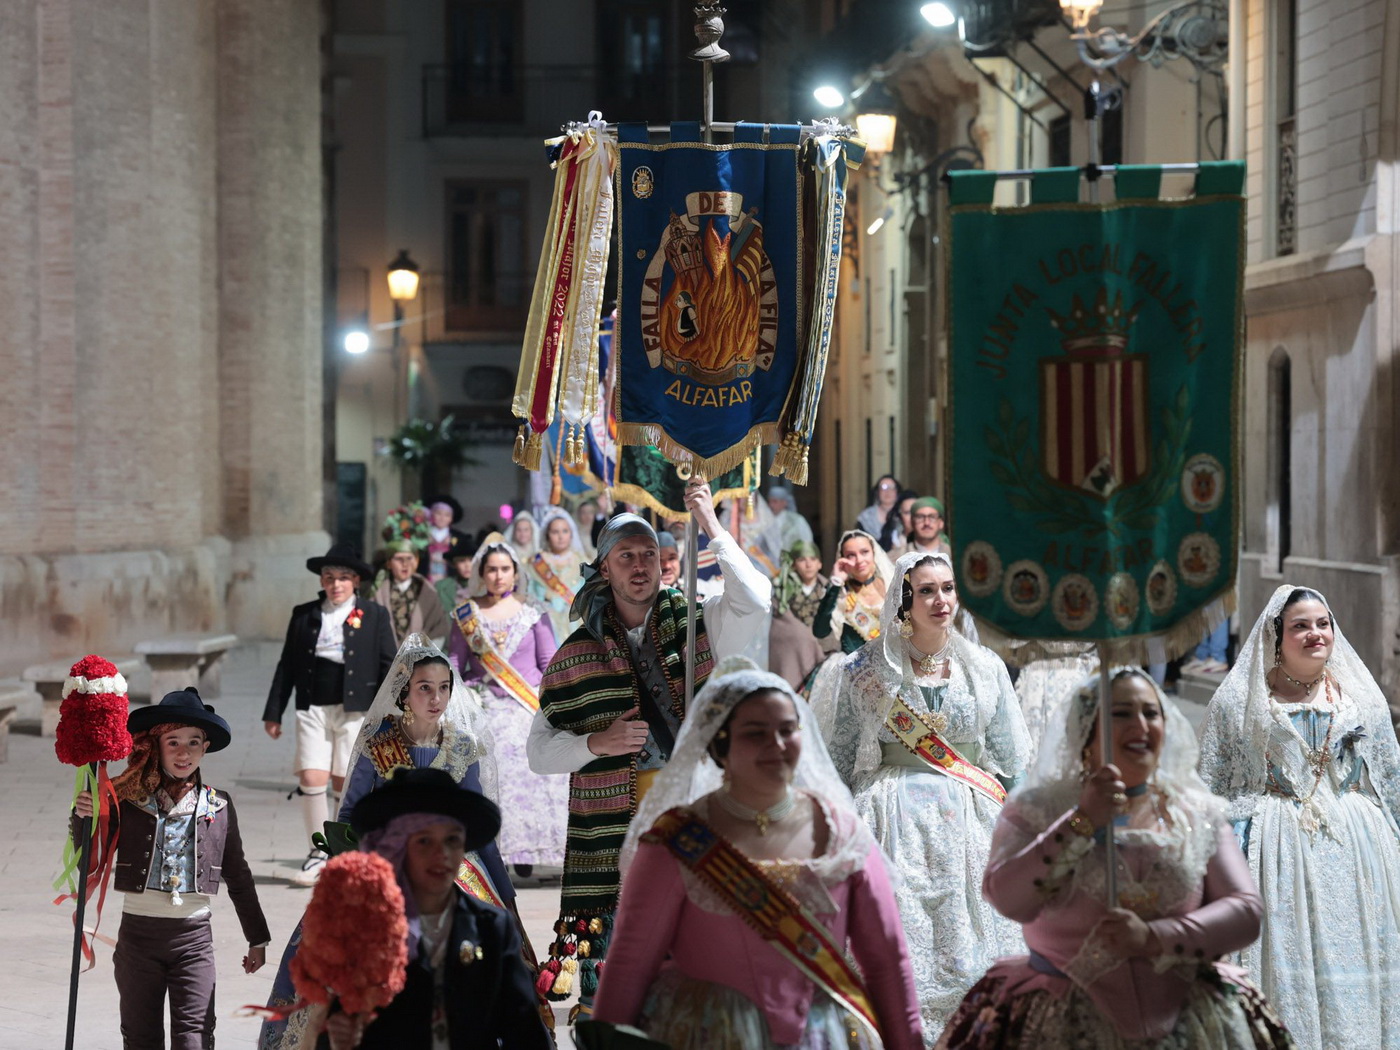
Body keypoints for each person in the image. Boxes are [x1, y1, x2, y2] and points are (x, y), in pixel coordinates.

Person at [938, 668, 1291, 1049]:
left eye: (1151, 713)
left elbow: (1245, 912)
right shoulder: (1038, 808)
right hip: (1062, 1019)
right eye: (1121, 713)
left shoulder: (1195, 811)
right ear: (1086, 732)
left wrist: (1154, 937)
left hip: (1188, 1017)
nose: (1141, 725)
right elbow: (1008, 899)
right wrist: (1081, 822)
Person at [526, 479, 772, 1018]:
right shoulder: (575, 654)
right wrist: (597, 743)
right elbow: (539, 753)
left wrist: (709, 522)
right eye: (626, 556)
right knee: (618, 954)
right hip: (613, 827)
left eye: (650, 555)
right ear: (604, 569)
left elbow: (756, 599)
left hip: (692, 810)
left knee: (693, 945)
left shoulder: (700, 621)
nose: (640, 566)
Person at [592, 658, 924, 1049]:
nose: (777, 745)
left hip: (822, 1036)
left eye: (788, 730)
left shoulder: (843, 833)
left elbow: (887, 962)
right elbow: (631, 962)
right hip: (707, 1035)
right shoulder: (676, 840)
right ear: (721, 744)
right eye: (755, 733)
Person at [258, 635, 539, 1050]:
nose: (436, 698)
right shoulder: (379, 744)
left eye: (444, 687)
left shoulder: (463, 746)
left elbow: (481, 837)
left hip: (457, 873)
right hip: (387, 871)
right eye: (425, 687)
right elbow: (350, 816)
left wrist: (508, 900)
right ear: (404, 691)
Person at [813, 552, 1032, 1040]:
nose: (940, 600)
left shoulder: (984, 666)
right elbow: (837, 760)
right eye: (927, 590)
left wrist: (1025, 830)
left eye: (948, 588)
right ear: (904, 599)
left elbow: (1010, 760)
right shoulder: (864, 668)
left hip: (971, 816)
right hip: (889, 816)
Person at [1199, 585, 1400, 1050]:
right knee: (1288, 953)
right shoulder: (1241, 701)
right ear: (1277, 636)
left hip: (1358, 845)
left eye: (1322, 624)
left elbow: (1389, 772)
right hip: (1278, 846)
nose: (1316, 634)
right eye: (1301, 626)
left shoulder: (1358, 697)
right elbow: (1212, 783)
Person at [75, 689, 270, 1050]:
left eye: (193, 742)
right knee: (140, 1037)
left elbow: (238, 874)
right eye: (174, 742)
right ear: (156, 746)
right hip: (138, 937)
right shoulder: (127, 801)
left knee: (195, 1036)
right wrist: (84, 815)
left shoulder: (218, 805)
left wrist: (257, 938)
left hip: (193, 940)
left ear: (205, 748)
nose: (184, 753)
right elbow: (89, 854)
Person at [319, 767, 552, 1049]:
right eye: (424, 841)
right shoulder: (364, 930)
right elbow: (339, 1026)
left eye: (452, 839)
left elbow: (525, 1032)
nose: (441, 854)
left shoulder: (490, 927)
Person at [264, 542, 398, 886]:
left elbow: (389, 664)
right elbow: (287, 665)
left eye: (343, 577)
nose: (336, 584)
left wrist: (391, 711)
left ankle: (341, 850)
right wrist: (273, 711)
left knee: (344, 779)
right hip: (312, 707)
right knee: (312, 776)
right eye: (329, 577)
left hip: (357, 710)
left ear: (356, 581)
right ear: (321, 581)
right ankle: (317, 851)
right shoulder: (304, 615)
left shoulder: (374, 614)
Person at [450, 535, 568, 875]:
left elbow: (549, 662)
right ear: (481, 573)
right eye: (492, 569)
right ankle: (495, 852)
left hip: (526, 706)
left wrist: (553, 706)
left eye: (505, 569)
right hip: (484, 707)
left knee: (531, 771)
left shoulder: (533, 610)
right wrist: (459, 699)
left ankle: (527, 851)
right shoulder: (465, 614)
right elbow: (455, 662)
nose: (498, 576)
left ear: (516, 573)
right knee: (489, 776)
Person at [813, 529, 895, 654]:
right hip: (854, 663)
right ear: (842, 559)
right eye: (851, 555)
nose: (859, 560)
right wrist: (836, 582)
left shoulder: (892, 585)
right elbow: (820, 631)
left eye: (864, 552)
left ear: (874, 553)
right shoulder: (840, 593)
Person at [768, 540, 835, 690]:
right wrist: (802, 636)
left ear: (820, 564)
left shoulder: (830, 591)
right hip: (791, 653)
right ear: (793, 564)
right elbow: (781, 626)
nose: (808, 564)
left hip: (823, 652)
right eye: (802, 560)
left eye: (813, 559)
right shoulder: (782, 592)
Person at [372, 539, 452, 649]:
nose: (405, 564)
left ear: (416, 561)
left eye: (409, 558)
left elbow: (438, 629)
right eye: (399, 559)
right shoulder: (378, 594)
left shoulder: (428, 593)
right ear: (389, 563)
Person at [526, 506, 586, 643]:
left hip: (576, 623)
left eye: (565, 531)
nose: (560, 537)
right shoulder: (536, 562)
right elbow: (530, 593)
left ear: (571, 534)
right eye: (555, 532)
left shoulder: (582, 561)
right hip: (545, 622)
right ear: (547, 534)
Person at [758, 486, 814, 566]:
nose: (771, 505)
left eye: (775, 501)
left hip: (792, 563)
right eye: (769, 501)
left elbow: (806, 542)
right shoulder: (764, 521)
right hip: (769, 565)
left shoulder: (797, 520)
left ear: (784, 503)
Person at [421, 497, 471, 584]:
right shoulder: (422, 535)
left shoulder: (460, 537)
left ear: (451, 518)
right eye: (438, 513)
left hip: (451, 582)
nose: (442, 518)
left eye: (447, 515)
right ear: (432, 515)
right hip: (425, 581)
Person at [434, 544, 477, 619]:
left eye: (471, 560)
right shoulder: (441, 587)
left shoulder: (486, 587)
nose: (467, 565)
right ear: (454, 564)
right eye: (461, 561)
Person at [856, 475, 901, 539]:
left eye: (892, 487)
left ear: (897, 492)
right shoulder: (866, 516)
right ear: (877, 492)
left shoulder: (904, 514)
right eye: (883, 487)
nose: (888, 491)